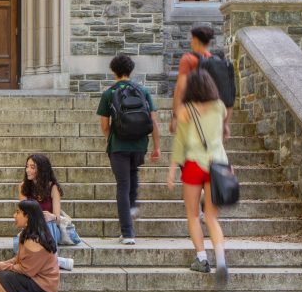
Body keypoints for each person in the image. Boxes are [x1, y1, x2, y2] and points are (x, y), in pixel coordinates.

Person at [168, 65, 229, 279]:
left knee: (193, 215)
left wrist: (173, 169)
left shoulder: (185, 110)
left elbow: (180, 144)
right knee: (212, 217)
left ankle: (202, 258)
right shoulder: (220, 106)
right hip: (217, 165)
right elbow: (220, 136)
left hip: (194, 165)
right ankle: (221, 260)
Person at [96, 54, 160, 245]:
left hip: (119, 145)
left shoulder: (109, 93)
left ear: (113, 71)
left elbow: (105, 125)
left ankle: (128, 233)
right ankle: (132, 206)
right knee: (133, 173)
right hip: (140, 144)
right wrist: (157, 146)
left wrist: (110, 141)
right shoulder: (142, 90)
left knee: (122, 185)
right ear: (130, 70)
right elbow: (154, 121)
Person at [176, 25, 235, 136]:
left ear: (194, 40)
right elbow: (229, 94)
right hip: (215, 115)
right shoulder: (217, 63)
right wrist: (226, 123)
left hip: (194, 114)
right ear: (208, 42)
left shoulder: (188, 59)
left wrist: (175, 116)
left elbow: (181, 89)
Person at [20, 153, 76, 269]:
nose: (27, 170)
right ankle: (57, 261)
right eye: (27, 166)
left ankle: (49, 259)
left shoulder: (53, 187)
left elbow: (58, 219)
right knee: (17, 245)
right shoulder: (23, 187)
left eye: (32, 167)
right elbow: (23, 216)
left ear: (41, 169)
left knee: (48, 223)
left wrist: (51, 217)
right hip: (32, 229)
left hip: (51, 229)